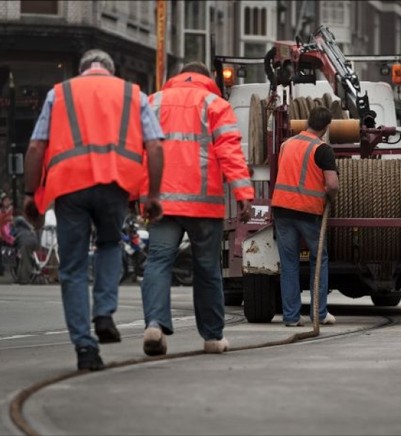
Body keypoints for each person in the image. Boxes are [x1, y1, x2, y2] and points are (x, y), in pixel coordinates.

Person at [23, 49, 164, 371]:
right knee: (109, 244)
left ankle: (85, 349)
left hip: (69, 188)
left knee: (72, 269)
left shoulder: (58, 94)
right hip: (114, 186)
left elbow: (35, 146)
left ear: (82, 69)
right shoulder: (132, 93)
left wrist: (32, 195)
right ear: (111, 71)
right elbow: (155, 146)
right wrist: (152, 195)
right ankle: (103, 311)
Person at [140, 61, 253, 356]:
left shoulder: (154, 102)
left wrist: (136, 195)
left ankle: (154, 323)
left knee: (158, 261)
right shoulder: (215, 104)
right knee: (207, 269)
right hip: (203, 204)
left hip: (161, 200)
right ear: (208, 79)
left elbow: (140, 151)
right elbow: (229, 150)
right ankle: (213, 337)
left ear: (177, 76)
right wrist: (243, 193)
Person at [271, 106, 339, 327]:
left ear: (307, 122)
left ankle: (291, 317)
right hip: (308, 213)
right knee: (319, 259)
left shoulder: (286, 144)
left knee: (289, 263)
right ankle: (319, 313)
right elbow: (332, 184)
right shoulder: (323, 149)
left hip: (281, 210)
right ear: (326, 127)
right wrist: (333, 196)